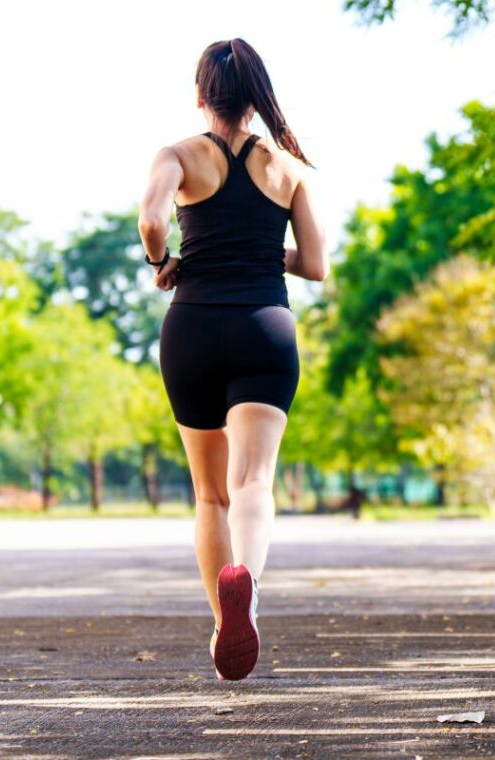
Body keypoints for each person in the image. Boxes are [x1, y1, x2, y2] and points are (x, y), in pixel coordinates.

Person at [137, 38, 327, 681]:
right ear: (255, 98)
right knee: (253, 482)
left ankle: (225, 622)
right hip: (264, 329)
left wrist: (162, 262)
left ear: (200, 95)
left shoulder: (177, 156)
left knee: (210, 494)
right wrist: (265, 252)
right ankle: (247, 582)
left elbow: (151, 222)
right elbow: (316, 265)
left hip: (192, 328)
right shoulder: (287, 169)